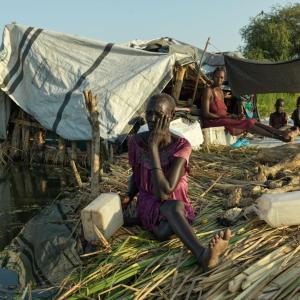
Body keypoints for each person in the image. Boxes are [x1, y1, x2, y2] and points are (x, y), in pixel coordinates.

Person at [122, 93, 232, 270]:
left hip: (175, 202)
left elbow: (165, 192)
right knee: (166, 221)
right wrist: (128, 195)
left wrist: (153, 149)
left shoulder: (181, 146)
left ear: (171, 116)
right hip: (150, 203)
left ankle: (203, 255)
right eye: (149, 113)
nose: (151, 119)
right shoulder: (136, 142)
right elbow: (137, 174)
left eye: (158, 115)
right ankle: (202, 254)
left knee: (172, 210)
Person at [201, 67, 298, 142]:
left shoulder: (220, 91)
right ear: (213, 77)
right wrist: (222, 117)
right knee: (248, 123)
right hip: (212, 121)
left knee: (252, 120)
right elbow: (205, 114)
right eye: (217, 77)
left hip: (223, 119)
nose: (219, 80)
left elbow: (224, 112)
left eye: (221, 77)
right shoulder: (208, 91)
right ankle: (280, 137)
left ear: (224, 78)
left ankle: (280, 133)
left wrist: (234, 116)